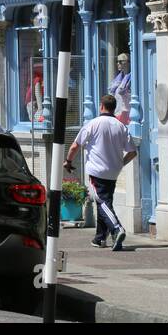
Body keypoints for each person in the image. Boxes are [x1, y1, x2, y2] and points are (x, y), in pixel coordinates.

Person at [65, 93, 137, 250]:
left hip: (97, 171)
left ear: (101, 106)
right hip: (113, 171)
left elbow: (75, 146)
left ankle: (117, 229)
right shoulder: (121, 127)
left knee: (103, 203)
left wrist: (68, 161)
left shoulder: (93, 124)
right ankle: (100, 238)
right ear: (113, 108)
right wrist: (121, 163)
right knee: (104, 202)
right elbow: (132, 152)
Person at [108, 52, 132, 124]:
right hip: (117, 112)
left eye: (120, 61)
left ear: (128, 63)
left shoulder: (131, 79)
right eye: (117, 61)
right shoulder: (118, 80)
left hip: (128, 113)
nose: (118, 63)